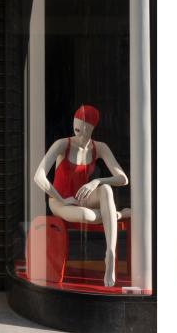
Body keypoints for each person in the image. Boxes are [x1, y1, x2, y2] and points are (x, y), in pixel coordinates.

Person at [33, 105, 130, 288]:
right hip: (60, 202)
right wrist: (61, 199)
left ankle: (110, 251)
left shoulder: (99, 147)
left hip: (82, 198)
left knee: (106, 189)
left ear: (92, 128)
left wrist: (97, 181)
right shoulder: (63, 144)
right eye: (77, 128)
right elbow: (38, 176)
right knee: (88, 215)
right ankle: (117, 215)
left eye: (84, 129)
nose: (79, 133)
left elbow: (123, 178)